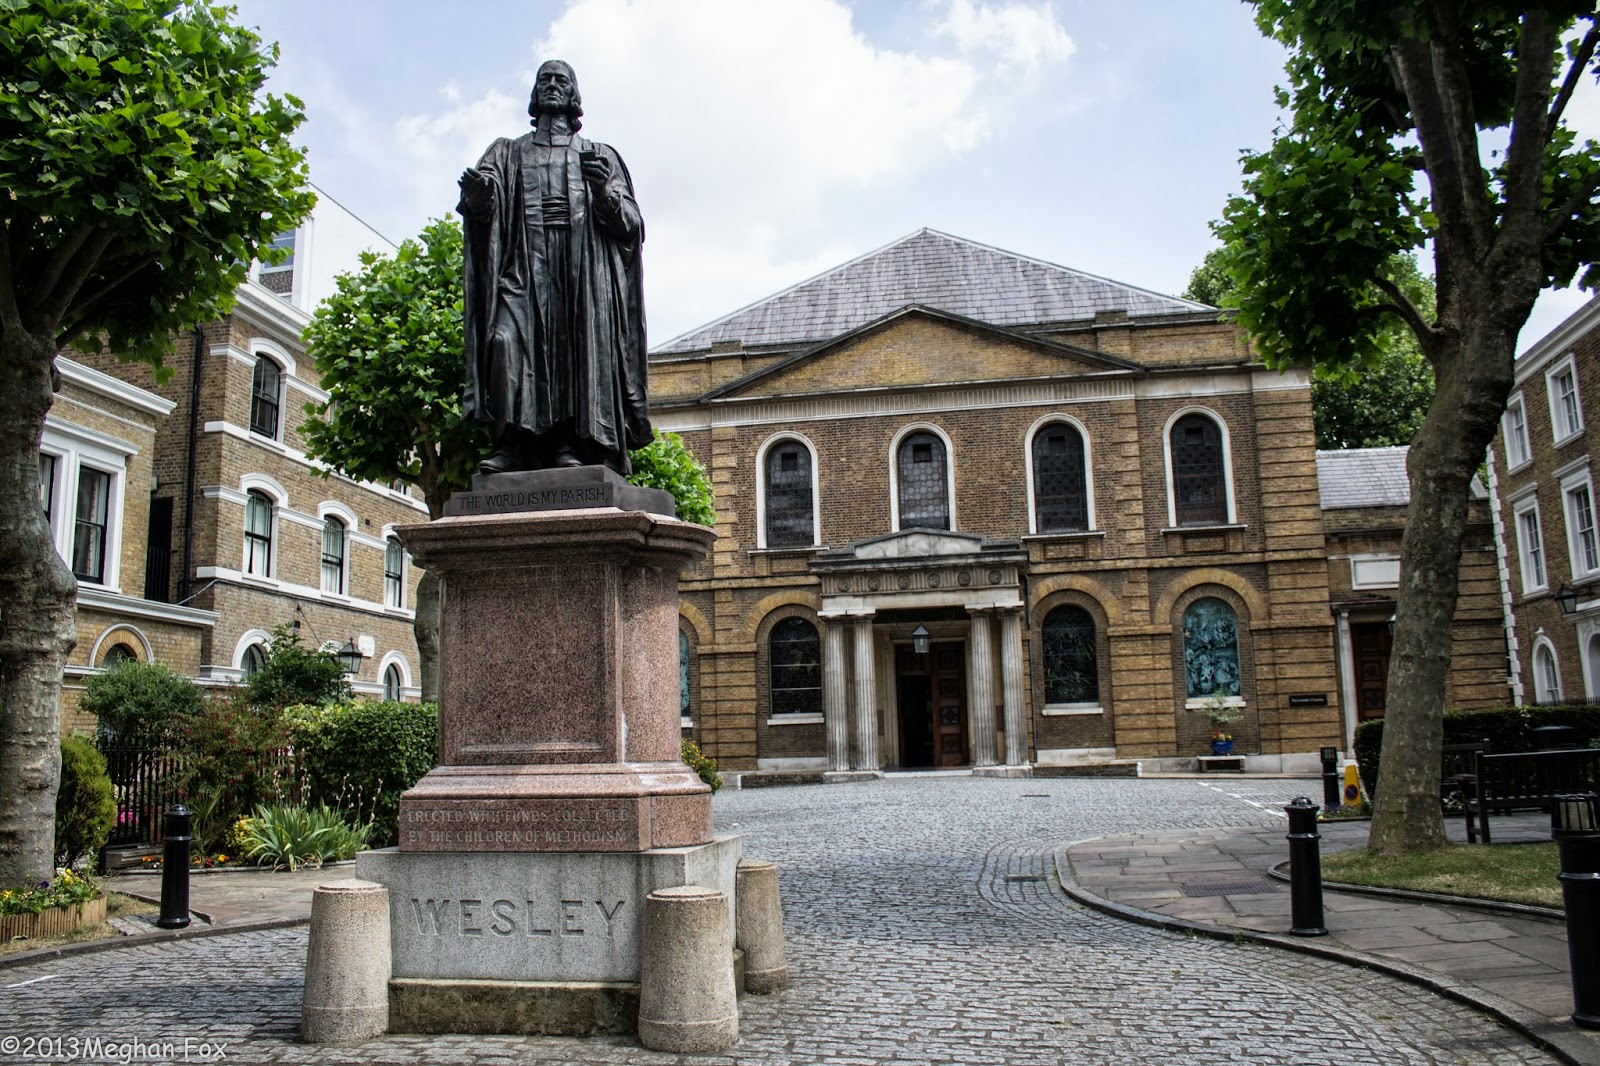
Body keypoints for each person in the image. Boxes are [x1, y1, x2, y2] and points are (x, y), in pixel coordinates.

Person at [458, 59, 651, 475]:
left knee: (574, 352)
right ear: (534, 93)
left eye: (560, 80)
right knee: (504, 342)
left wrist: (603, 192)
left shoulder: (599, 156)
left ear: (573, 96)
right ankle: (511, 443)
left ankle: (569, 443)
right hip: (523, 268)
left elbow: (631, 226)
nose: (551, 85)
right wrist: (478, 198)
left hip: (579, 271)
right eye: (544, 79)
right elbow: (482, 206)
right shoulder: (506, 152)